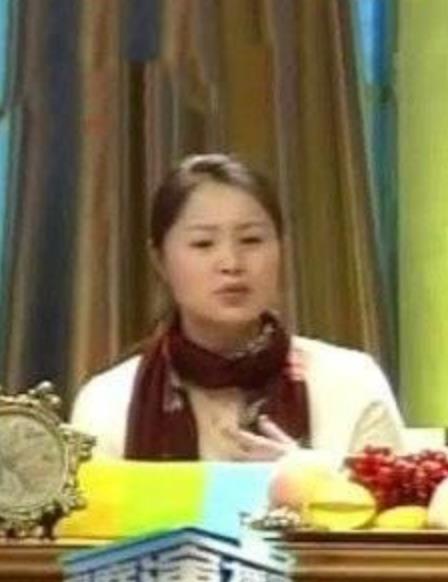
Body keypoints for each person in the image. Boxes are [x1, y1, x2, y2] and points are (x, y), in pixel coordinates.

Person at [71, 154, 404, 462]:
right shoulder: (109, 401)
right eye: (203, 244)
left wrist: (313, 478)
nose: (231, 263)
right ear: (160, 260)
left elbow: (397, 505)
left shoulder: (351, 382)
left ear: (281, 249)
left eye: (251, 240)